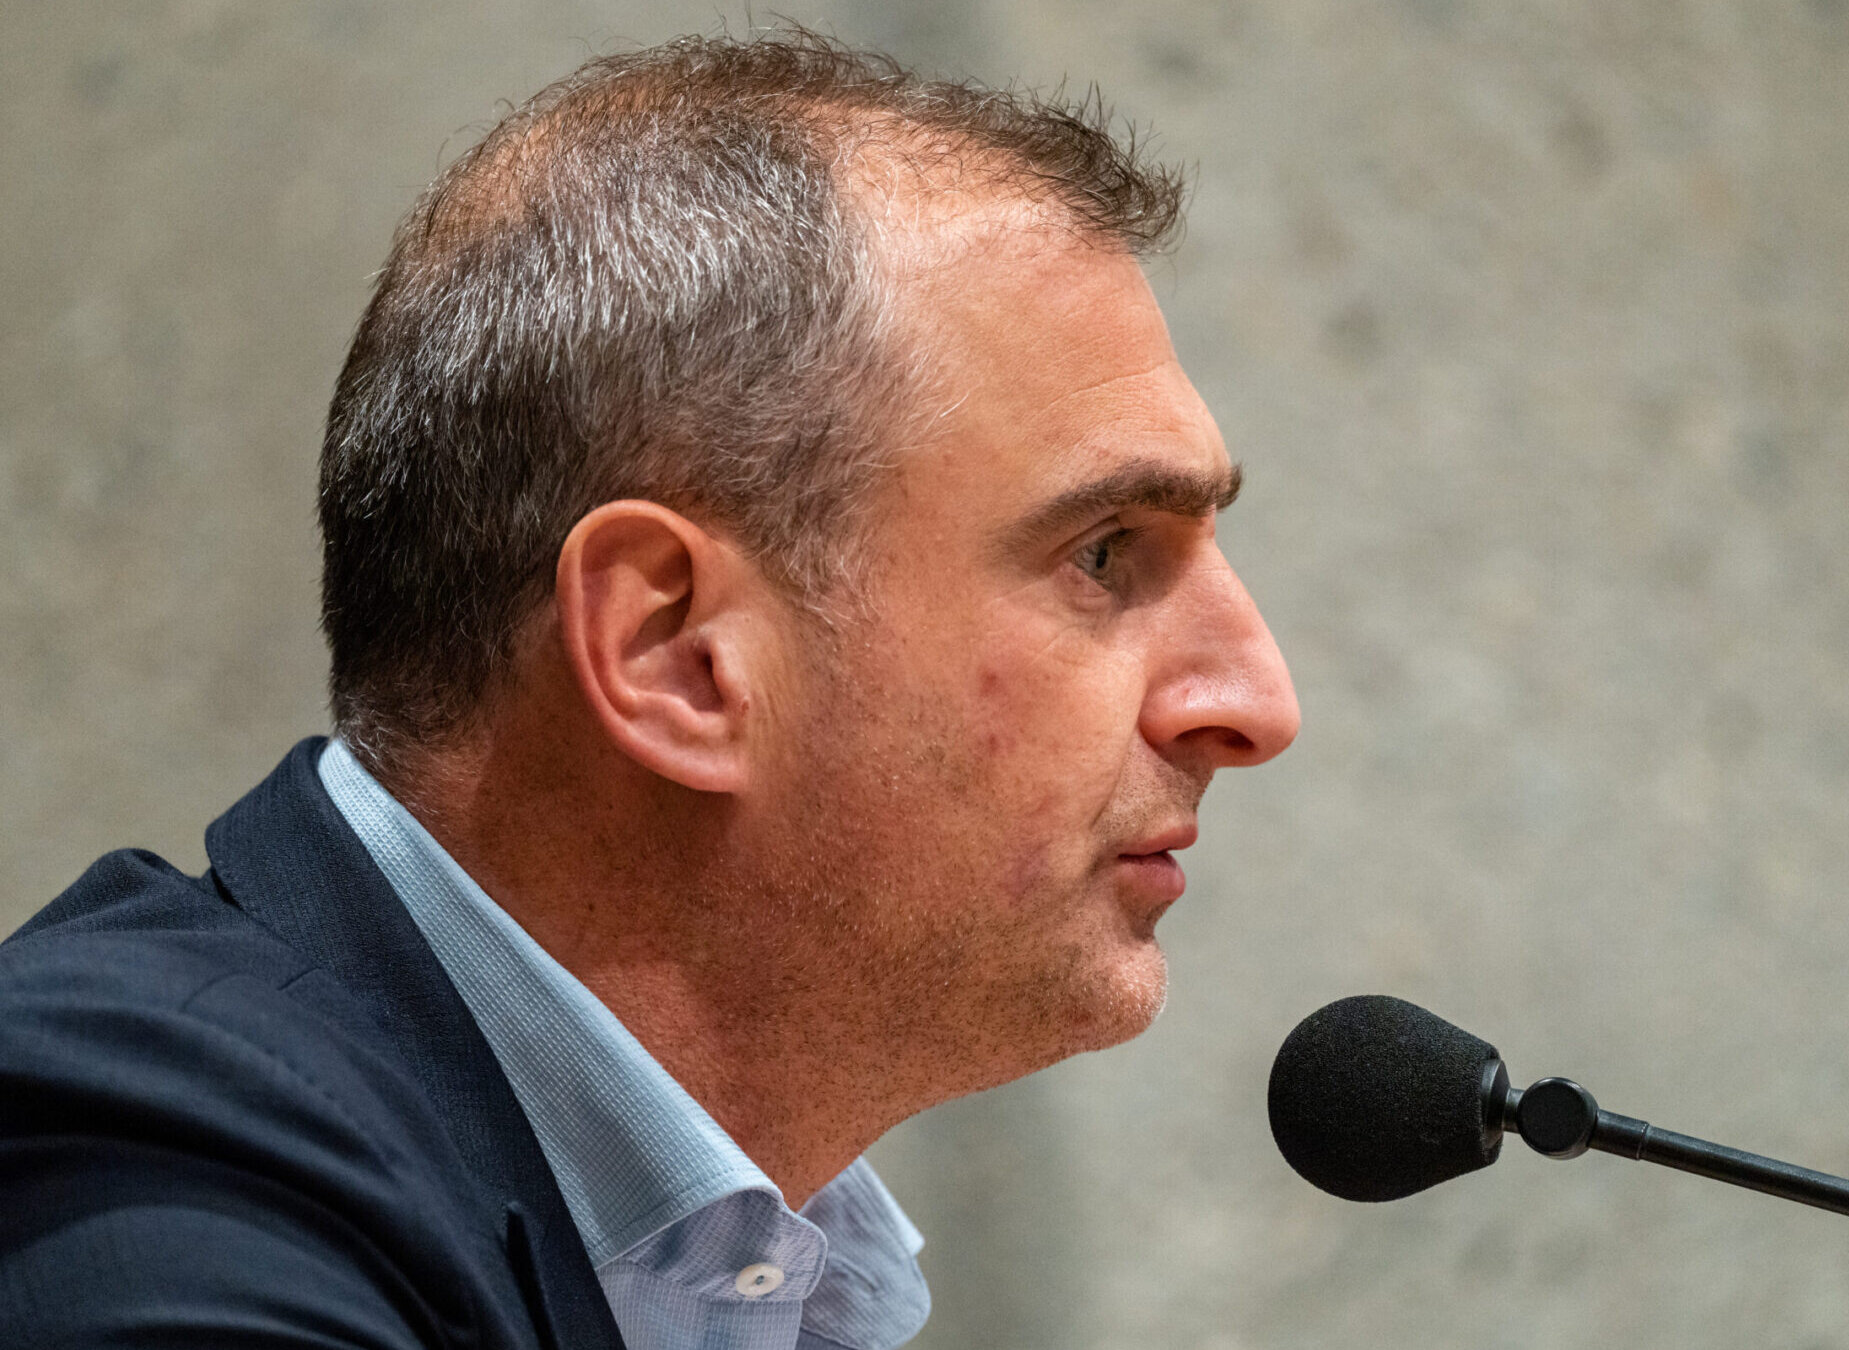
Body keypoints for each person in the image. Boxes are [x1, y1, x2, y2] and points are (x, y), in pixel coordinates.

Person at [0, 30, 1298, 1350]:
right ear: (671, 652)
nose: (1256, 700)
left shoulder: (725, 1270)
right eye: (1103, 554)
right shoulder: (137, 1178)